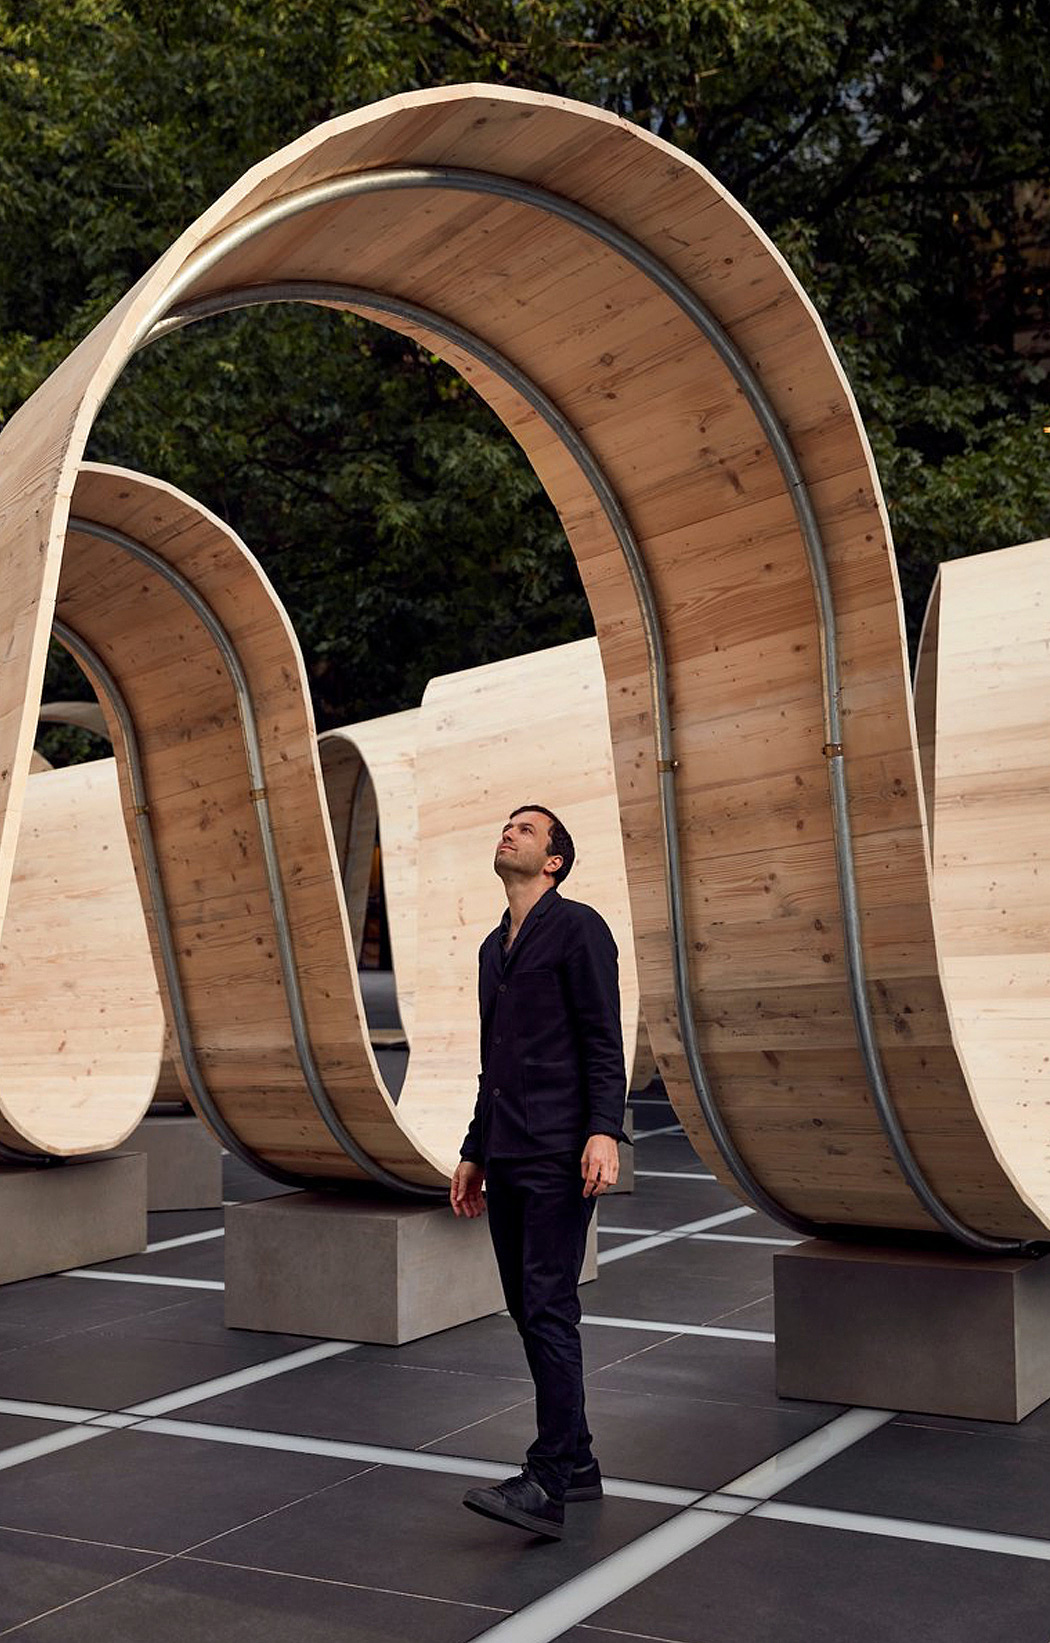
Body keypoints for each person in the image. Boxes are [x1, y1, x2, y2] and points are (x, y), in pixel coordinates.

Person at [450, 804, 628, 1540]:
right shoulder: (495, 947)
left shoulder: (579, 928)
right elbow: (497, 1063)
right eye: (507, 825)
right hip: (508, 1149)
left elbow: (602, 1036)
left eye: (528, 828)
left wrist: (603, 1129)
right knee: (528, 1307)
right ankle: (580, 1460)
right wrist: (473, 1147)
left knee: (549, 1305)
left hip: (561, 1150)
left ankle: (547, 1479)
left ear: (554, 860)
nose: (510, 831)